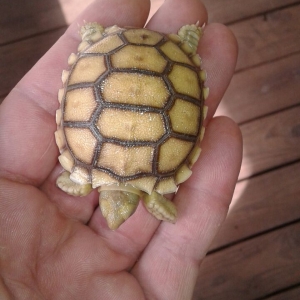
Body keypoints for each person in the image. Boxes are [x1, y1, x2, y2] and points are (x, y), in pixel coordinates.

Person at [0, 0, 242, 299]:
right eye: (122, 214)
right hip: (148, 62)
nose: (115, 221)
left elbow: (161, 205)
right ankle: (170, 43)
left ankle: (182, 42)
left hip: (117, 59)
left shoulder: (147, 177)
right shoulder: (84, 167)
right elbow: (70, 181)